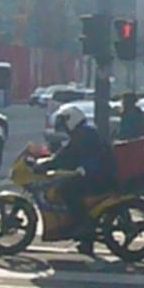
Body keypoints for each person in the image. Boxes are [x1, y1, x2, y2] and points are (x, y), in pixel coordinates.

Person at [36, 105, 116, 254]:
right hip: (101, 174)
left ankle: (82, 226)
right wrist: (49, 162)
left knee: (66, 190)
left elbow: (74, 156)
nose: (64, 129)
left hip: (100, 176)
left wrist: (49, 165)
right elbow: (66, 155)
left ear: (71, 120)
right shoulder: (83, 132)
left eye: (64, 124)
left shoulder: (85, 134)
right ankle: (86, 242)